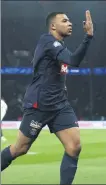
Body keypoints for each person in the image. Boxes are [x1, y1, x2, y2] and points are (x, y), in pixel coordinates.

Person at [1, 10, 93, 184]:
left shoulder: (60, 46)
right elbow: (74, 60)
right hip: (39, 105)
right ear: (53, 26)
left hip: (60, 105)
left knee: (74, 147)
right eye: (65, 21)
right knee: (20, 149)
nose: (70, 23)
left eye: (70, 21)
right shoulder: (47, 42)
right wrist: (88, 37)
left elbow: (72, 61)